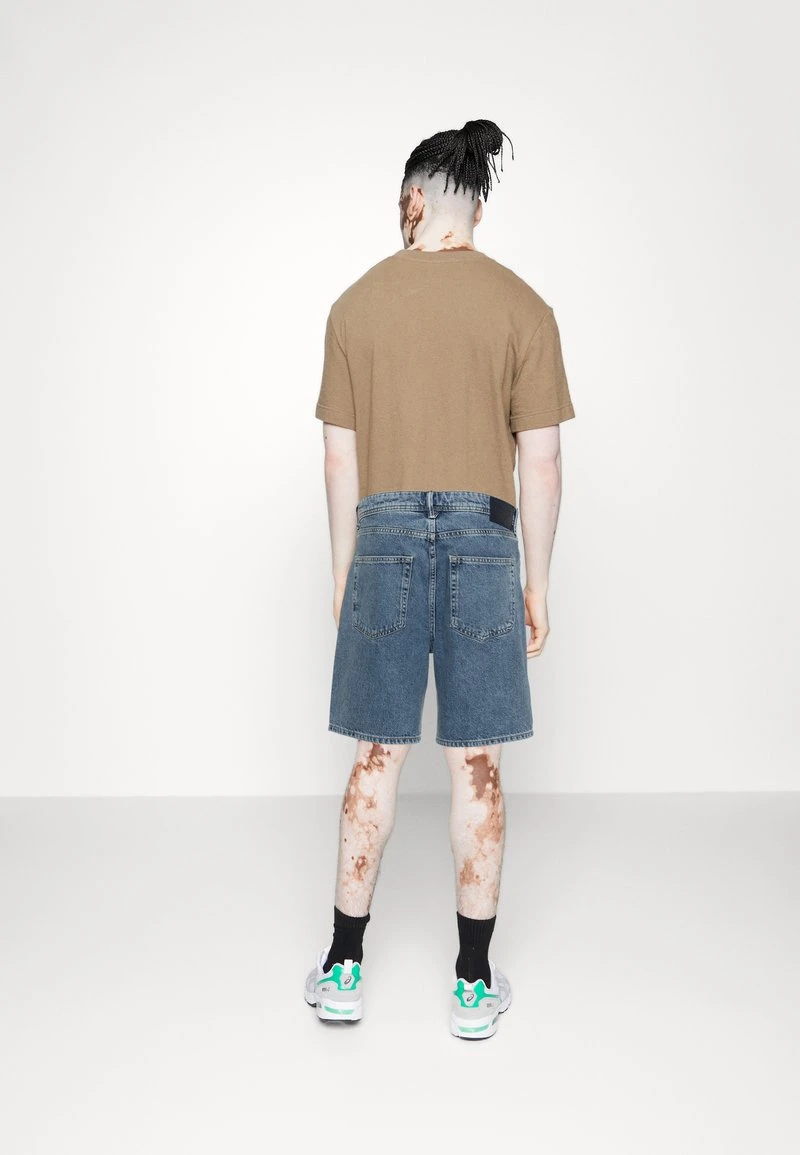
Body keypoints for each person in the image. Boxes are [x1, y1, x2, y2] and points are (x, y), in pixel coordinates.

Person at [304, 119, 576, 1039]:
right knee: (478, 763)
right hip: (484, 539)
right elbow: (541, 463)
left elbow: (338, 460)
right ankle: (472, 980)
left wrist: (344, 571)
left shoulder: (354, 306)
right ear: (478, 211)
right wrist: (537, 583)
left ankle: (343, 965)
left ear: (413, 198)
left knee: (376, 757)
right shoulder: (524, 308)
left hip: (381, 537)